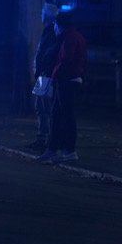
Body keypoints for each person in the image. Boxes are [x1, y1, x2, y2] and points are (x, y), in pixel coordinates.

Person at [37, 11, 87, 163]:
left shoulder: (69, 38)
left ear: (59, 25)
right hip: (68, 80)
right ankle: (55, 149)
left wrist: (54, 76)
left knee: (64, 116)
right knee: (58, 115)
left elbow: (65, 60)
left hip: (66, 81)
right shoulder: (74, 36)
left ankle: (68, 150)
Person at [26, 3, 59, 150]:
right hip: (43, 74)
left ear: (46, 16)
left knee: (43, 106)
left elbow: (47, 54)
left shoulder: (50, 31)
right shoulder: (49, 30)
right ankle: (44, 137)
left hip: (45, 75)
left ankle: (45, 138)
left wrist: (42, 70)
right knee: (41, 106)